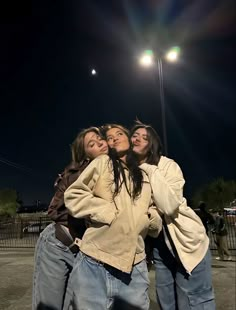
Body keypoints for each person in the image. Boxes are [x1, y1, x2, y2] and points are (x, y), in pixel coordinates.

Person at [64, 124, 162, 310]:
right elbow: (74, 195)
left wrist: (148, 219)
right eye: (109, 138)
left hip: (135, 268)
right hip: (94, 264)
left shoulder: (143, 175)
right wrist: (108, 212)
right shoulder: (102, 164)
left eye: (119, 134)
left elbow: (154, 208)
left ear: (129, 138)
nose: (114, 138)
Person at [130, 121, 215, 310]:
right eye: (135, 135)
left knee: (193, 301)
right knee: (166, 302)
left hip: (186, 242)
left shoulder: (167, 165)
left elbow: (168, 205)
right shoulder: (129, 171)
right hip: (160, 249)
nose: (138, 139)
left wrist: (149, 168)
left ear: (152, 144)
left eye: (145, 137)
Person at [32, 127, 109, 310]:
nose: (98, 142)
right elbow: (54, 211)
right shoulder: (81, 173)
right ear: (85, 154)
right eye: (91, 143)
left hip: (82, 251)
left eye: (99, 138)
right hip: (58, 244)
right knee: (49, 306)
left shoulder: (114, 170)